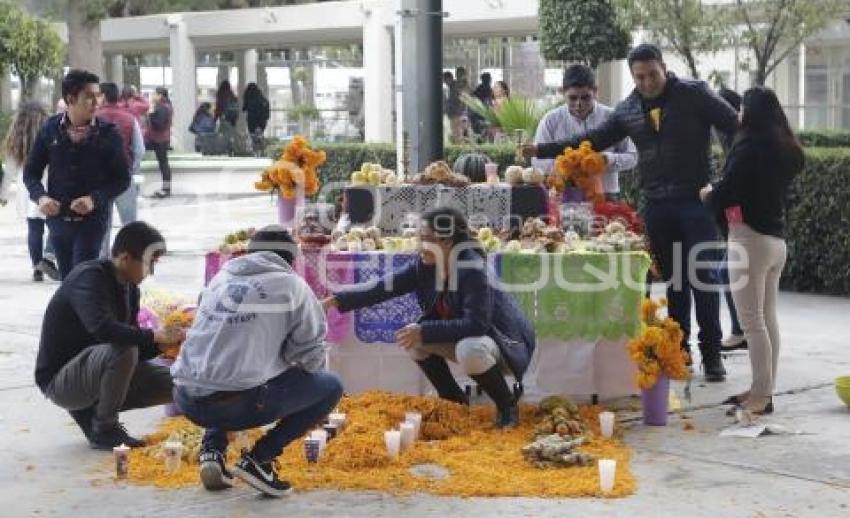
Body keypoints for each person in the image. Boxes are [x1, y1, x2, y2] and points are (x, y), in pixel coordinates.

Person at [522, 44, 738, 382]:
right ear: (633, 78)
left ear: (664, 68)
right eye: (640, 77)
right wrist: (543, 149)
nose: (648, 82)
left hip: (697, 201)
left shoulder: (693, 94)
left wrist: (727, 178)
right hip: (656, 205)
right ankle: (680, 353)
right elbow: (593, 139)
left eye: (653, 74)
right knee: (674, 283)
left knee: (703, 279)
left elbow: (733, 124)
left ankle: (712, 355)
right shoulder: (628, 109)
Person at [323, 206, 536, 428]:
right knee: (413, 338)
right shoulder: (425, 264)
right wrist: (335, 301)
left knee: (467, 348)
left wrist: (425, 330)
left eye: (425, 239)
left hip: (505, 345)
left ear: (446, 241)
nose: (419, 245)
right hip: (476, 338)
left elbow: (477, 325)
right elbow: (382, 287)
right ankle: (454, 401)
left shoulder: (472, 269)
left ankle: (506, 405)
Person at [172, 226, 342, 496]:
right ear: (292, 260)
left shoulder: (220, 277)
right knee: (331, 386)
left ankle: (212, 451)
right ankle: (259, 459)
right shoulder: (293, 285)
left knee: (231, 366)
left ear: (249, 253)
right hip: (237, 404)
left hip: (185, 399)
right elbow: (312, 360)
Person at [701, 87, 804, 416]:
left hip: (749, 240)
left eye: (742, 108)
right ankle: (763, 389)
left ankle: (761, 397)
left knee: (752, 324)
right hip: (776, 243)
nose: (738, 114)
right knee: (767, 319)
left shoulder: (747, 146)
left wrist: (708, 193)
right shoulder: (782, 146)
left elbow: (729, 190)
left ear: (750, 112)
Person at [34, 221, 179, 449]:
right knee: (123, 348)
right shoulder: (89, 277)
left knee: (182, 383)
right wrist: (155, 335)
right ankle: (105, 428)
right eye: (149, 263)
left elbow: (136, 347)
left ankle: (92, 413)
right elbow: (103, 329)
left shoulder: (131, 289)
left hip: (98, 370)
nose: (151, 271)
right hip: (61, 380)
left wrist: (168, 345)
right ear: (124, 257)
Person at [24, 69, 131, 280]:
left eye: (97, 95)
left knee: (81, 276)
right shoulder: (50, 129)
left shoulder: (109, 133)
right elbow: (31, 173)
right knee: (67, 278)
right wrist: (41, 197)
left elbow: (122, 179)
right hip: (58, 221)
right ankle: (72, 313)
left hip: (93, 221)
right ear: (70, 99)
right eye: (89, 97)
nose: (96, 102)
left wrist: (95, 199)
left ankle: (79, 311)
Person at [533, 64, 637, 199]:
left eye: (585, 97)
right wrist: (567, 166)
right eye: (573, 98)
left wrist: (606, 159)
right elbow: (537, 161)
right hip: (564, 195)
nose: (579, 104)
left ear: (595, 90)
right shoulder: (550, 121)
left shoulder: (612, 117)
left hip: (606, 195)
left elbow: (633, 157)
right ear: (562, 91)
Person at [0, 101, 60, 281]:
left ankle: (37, 267)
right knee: (56, 226)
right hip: (51, 185)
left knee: (35, 229)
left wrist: (3, 195)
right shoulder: (51, 133)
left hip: (27, 189)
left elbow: (9, 170)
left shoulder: (16, 140)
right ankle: (49, 257)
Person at [96, 83, 145, 257]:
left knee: (102, 224)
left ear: (102, 96)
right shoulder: (130, 118)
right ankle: (130, 258)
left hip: (99, 181)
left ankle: (103, 261)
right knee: (129, 224)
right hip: (124, 178)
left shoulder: (93, 118)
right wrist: (133, 169)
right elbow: (139, 150)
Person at [716, 85, 745, 351]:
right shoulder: (733, 137)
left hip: (746, 220)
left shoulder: (739, 139)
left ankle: (741, 330)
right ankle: (742, 329)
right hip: (739, 218)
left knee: (726, 270)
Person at [145, 87, 173, 199]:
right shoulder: (166, 106)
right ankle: (166, 189)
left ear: (160, 95)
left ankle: (166, 189)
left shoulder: (162, 107)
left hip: (159, 139)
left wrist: (151, 114)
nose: (153, 97)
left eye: (154, 94)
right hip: (162, 139)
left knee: (163, 164)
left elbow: (159, 124)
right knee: (163, 164)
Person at [242, 83, 270, 156]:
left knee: (253, 135)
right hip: (262, 120)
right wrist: (266, 118)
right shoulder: (263, 99)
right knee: (260, 134)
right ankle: (263, 149)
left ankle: (256, 151)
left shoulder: (249, 99)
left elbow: (244, 108)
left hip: (252, 120)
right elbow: (267, 111)